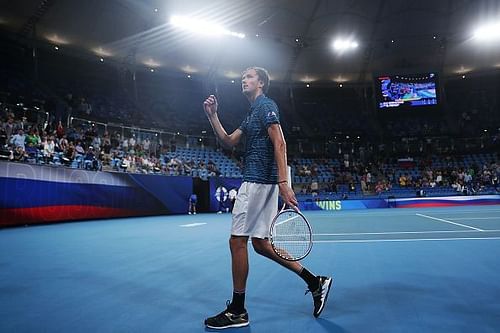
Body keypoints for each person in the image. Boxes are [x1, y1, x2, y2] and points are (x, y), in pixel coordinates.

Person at [203, 67, 332, 330]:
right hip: (261, 183)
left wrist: (284, 183)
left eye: (249, 76)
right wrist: (213, 116)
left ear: (261, 83)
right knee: (260, 245)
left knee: (237, 242)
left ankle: (238, 311)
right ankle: (315, 281)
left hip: (258, 182)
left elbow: (280, 142)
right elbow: (229, 141)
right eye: (243, 76)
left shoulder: (265, 105)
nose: (244, 78)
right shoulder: (252, 113)